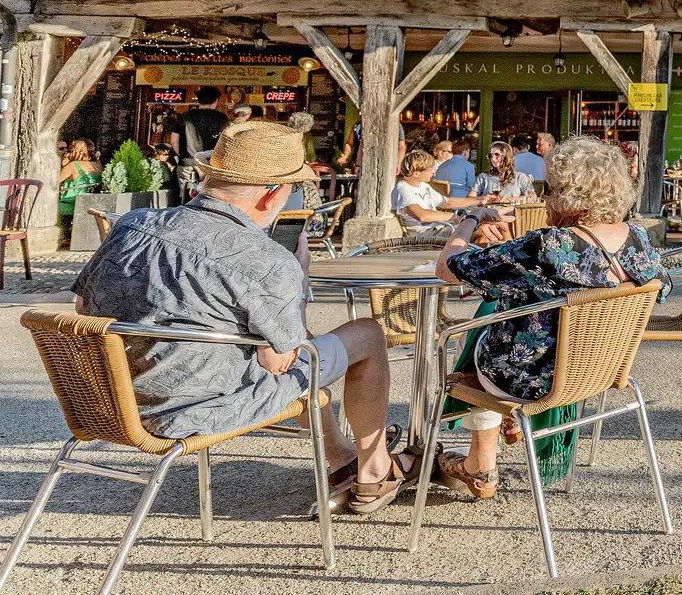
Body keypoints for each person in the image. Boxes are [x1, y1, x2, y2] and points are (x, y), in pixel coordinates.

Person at [72, 121, 450, 514]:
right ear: (271, 196)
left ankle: (341, 459)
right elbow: (280, 361)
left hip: (111, 401)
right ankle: (374, 469)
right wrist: (298, 278)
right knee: (366, 334)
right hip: (198, 410)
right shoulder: (269, 261)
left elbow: (84, 311)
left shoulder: (132, 225)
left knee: (299, 340)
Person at [429, 135, 669, 498]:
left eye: (549, 189)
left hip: (534, 379)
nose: (544, 198)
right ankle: (494, 440)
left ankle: (480, 461)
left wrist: (470, 219)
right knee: (492, 318)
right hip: (600, 371)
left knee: (472, 338)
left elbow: (447, 268)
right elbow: (661, 287)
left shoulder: (548, 245)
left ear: (567, 195)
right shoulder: (636, 237)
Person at [392, 150, 500, 237]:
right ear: (416, 173)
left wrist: (480, 199)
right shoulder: (403, 190)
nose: (433, 171)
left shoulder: (422, 185)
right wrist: (452, 216)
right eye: (430, 169)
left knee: (491, 226)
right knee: (483, 231)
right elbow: (422, 215)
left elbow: (447, 202)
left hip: (439, 228)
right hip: (428, 235)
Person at [169, 86, 230, 198]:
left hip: (187, 163)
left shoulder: (185, 116)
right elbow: (227, 142)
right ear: (216, 101)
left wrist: (182, 155)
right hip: (211, 165)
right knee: (209, 197)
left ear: (199, 100)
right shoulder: (221, 118)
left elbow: (174, 141)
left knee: (185, 197)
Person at [471, 140, 535, 202]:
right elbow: (470, 198)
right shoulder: (483, 177)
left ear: (506, 156)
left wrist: (508, 200)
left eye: (497, 154)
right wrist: (485, 198)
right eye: (491, 155)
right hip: (488, 211)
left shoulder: (520, 177)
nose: (492, 159)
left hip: (510, 212)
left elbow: (532, 197)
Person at [58, 138, 101, 224]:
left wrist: (63, 163)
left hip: (69, 204)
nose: (67, 151)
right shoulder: (98, 165)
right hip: (89, 204)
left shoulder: (73, 165)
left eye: (71, 149)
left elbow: (52, 183)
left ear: (77, 151)